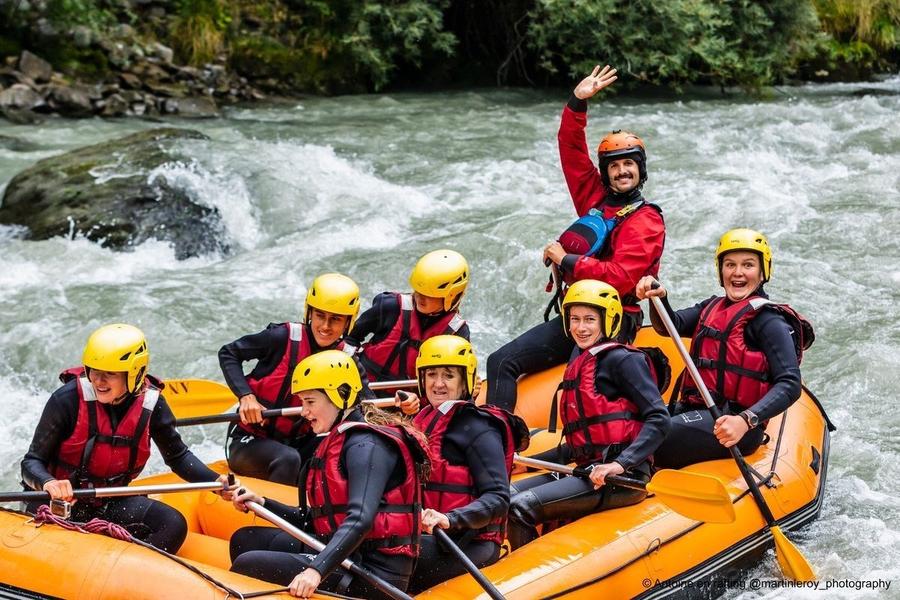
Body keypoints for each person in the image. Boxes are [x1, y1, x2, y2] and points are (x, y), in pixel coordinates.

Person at [487, 64, 665, 412]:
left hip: (616, 319)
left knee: (574, 385)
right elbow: (570, 150)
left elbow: (622, 277)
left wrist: (565, 260)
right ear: (606, 173)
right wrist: (576, 103)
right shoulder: (595, 199)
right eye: (614, 166)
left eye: (629, 164)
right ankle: (497, 439)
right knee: (500, 362)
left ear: (640, 170)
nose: (622, 170)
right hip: (578, 314)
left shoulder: (647, 220)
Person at [228, 350, 429, 599]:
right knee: (245, 539)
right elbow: (320, 518)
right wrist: (263, 503)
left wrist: (315, 571)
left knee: (250, 563)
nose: (303, 412)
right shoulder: (343, 438)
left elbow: (359, 519)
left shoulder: (366, 446)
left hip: (374, 574)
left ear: (341, 395)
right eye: (302, 402)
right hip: (349, 555)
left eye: (310, 402)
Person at [21, 324, 234, 553]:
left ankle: (121, 574)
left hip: (108, 501)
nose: (98, 381)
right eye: (94, 370)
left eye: (110, 373)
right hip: (58, 503)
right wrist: (49, 483)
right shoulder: (67, 400)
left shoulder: (153, 404)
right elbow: (31, 462)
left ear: (134, 373)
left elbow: (178, 457)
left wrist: (217, 482)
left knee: (172, 524)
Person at [506, 280, 670, 550]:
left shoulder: (624, 361)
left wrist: (619, 464)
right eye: (575, 319)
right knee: (504, 496)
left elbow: (659, 418)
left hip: (622, 478)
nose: (581, 328)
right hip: (587, 472)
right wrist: (527, 463)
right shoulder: (582, 362)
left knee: (520, 506)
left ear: (608, 320)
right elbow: (580, 444)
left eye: (590, 320)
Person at [636, 228, 814, 469]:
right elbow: (671, 326)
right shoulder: (712, 306)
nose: (738, 273)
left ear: (763, 272)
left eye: (748, 265)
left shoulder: (769, 321)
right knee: (630, 423)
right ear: (721, 271)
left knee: (653, 436)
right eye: (730, 265)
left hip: (738, 426)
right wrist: (659, 297)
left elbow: (790, 384)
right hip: (698, 410)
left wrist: (745, 420)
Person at [400, 336, 528, 593]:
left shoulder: (478, 427)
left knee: (381, 555)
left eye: (448, 375)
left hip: (468, 544)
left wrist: (450, 519)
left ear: (465, 381)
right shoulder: (422, 419)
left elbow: (498, 499)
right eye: (431, 374)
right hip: (428, 536)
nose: (438, 383)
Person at [219, 272, 370, 485]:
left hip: (300, 441)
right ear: (309, 313)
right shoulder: (282, 337)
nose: (325, 326)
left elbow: (366, 405)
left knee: (347, 449)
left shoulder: (347, 359)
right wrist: (246, 397)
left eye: (335, 319)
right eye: (320, 315)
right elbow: (228, 353)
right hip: (250, 439)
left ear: (348, 323)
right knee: (289, 459)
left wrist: (404, 407)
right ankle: (277, 514)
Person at [347, 249, 470, 389]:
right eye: (419, 291)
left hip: (409, 403)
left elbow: (455, 381)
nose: (421, 297)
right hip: (363, 387)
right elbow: (350, 339)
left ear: (453, 296)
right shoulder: (390, 306)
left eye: (430, 294)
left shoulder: (457, 332)